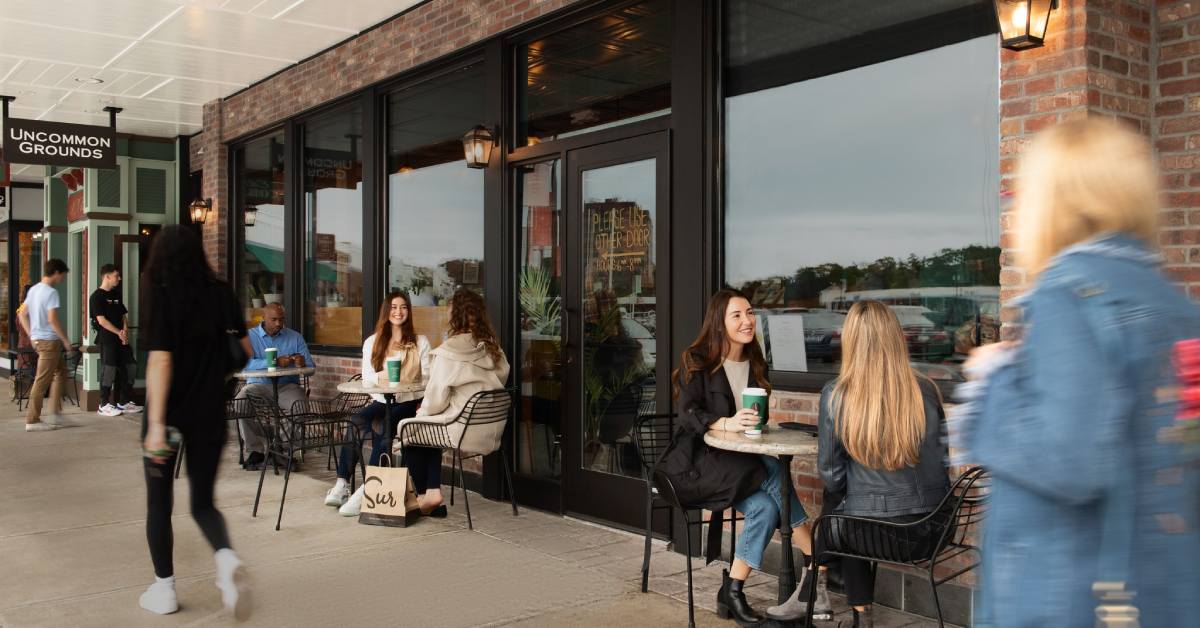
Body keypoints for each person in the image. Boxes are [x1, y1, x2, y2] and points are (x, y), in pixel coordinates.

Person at [959, 119, 1200, 627]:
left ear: (1054, 202)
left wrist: (995, 379)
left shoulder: (1067, 296)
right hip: (1161, 591)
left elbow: (1068, 460)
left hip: (1068, 595)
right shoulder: (1177, 309)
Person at [785, 301, 949, 628]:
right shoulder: (927, 390)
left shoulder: (838, 394)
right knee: (847, 507)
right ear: (895, 338)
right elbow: (943, 463)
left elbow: (831, 475)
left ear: (851, 341)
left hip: (875, 535)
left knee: (839, 505)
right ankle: (819, 585)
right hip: (934, 529)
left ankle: (830, 591)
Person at [669, 288, 820, 626]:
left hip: (741, 462)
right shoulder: (697, 360)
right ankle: (815, 559)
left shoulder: (754, 361)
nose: (747, 320)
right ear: (719, 324)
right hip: (701, 461)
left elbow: (753, 415)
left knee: (767, 506)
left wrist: (758, 425)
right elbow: (687, 416)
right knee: (771, 469)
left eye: (750, 313)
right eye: (737, 315)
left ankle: (732, 590)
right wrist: (725, 422)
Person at [138, 225, 252, 619]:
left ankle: (164, 589)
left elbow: (161, 359)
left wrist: (154, 422)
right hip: (208, 412)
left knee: (159, 504)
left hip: (167, 416)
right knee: (203, 503)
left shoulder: (161, 292)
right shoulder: (220, 292)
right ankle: (225, 560)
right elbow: (245, 350)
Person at [395, 289, 509, 517]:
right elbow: (499, 381)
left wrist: (421, 414)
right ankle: (431, 496)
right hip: (490, 429)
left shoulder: (448, 352)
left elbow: (434, 402)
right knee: (425, 427)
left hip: (461, 429)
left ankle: (428, 494)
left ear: (454, 316)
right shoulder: (493, 348)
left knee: (410, 429)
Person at [327, 291, 431, 515]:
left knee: (384, 427)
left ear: (409, 311)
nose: (399, 312)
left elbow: (428, 378)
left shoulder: (420, 342)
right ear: (387, 311)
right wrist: (381, 376)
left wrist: (407, 381)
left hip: (410, 400)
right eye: (394, 307)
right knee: (355, 421)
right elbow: (367, 377)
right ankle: (342, 483)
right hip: (382, 399)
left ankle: (369, 489)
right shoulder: (372, 342)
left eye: (403, 307)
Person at [235, 303, 314, 470]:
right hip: (258, 385)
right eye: (274, 319)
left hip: (287, 385)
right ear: (263, 318)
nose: (278, 323)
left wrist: (302, 363)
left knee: (300, 405)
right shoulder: (250, 336)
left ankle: (280, 449)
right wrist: (273, 362)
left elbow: (311, 369)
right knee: (240, 401)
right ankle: (255, 450)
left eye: (281, 319)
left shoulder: (295, 337)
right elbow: (243, 365)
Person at [19, 259, 77, 432]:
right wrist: (66, 340)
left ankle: (55, 413)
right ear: (57, 272)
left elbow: (22, 314)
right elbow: (52, 320)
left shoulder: (34, 289)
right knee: (41, 381)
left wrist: (32, 335)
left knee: (61, 372)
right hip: (49, 342)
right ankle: (33, 420)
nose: (63, 279)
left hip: (40, 341)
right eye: (63, 275)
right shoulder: (51, 292)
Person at [90, 264, 141, 417]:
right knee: (109, 370)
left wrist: (125, 331)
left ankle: (124, 402)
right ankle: (104, 404)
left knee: (131, 367)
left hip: (121, 339)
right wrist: (118, 332)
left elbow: (123, 315)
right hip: (108, 339)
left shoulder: (116, 294)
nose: (119, 278)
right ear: (107, 276)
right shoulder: (96, 297)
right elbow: (102, 321)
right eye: (116, 275)